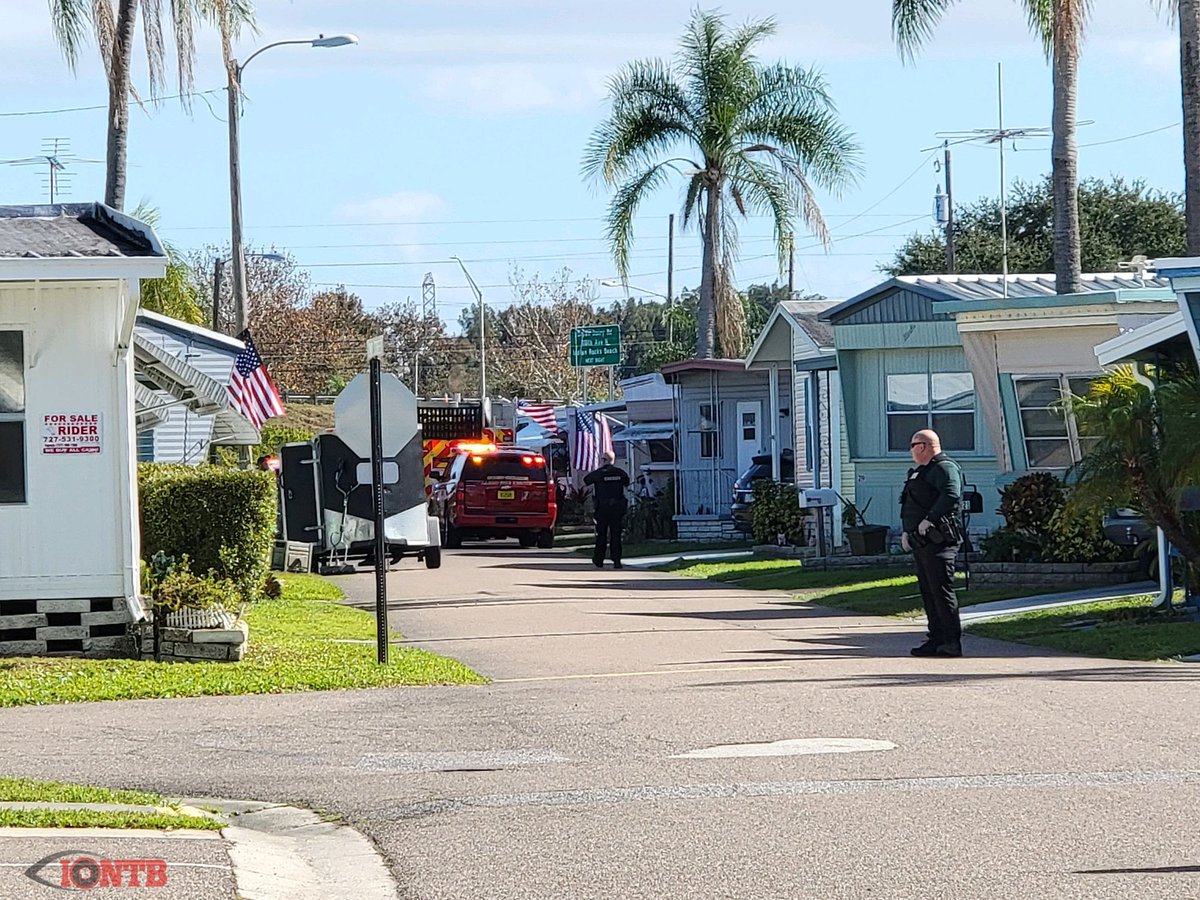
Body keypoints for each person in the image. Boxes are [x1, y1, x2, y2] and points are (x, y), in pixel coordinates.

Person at [900, 428, 964, 658]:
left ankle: (950, 641)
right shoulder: (923, 472)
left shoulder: (944, 468)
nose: (911, 452)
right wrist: (908, 531)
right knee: (928, 591)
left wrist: (930, 520)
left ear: (923, 446)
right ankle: (936, 639)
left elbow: (951, 494)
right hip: (922, 541)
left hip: (939, 539)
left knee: (941, 590)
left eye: (912, 446)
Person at [584, 451, 630, 569]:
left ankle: (599, 560)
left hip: (602, 509)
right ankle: (617, 561)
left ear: (603, 460)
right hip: (617, 509)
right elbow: (627, 482)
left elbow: (586, 480)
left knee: (601, 535)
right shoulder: (620, 473)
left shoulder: (598, 474)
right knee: (616, 535)